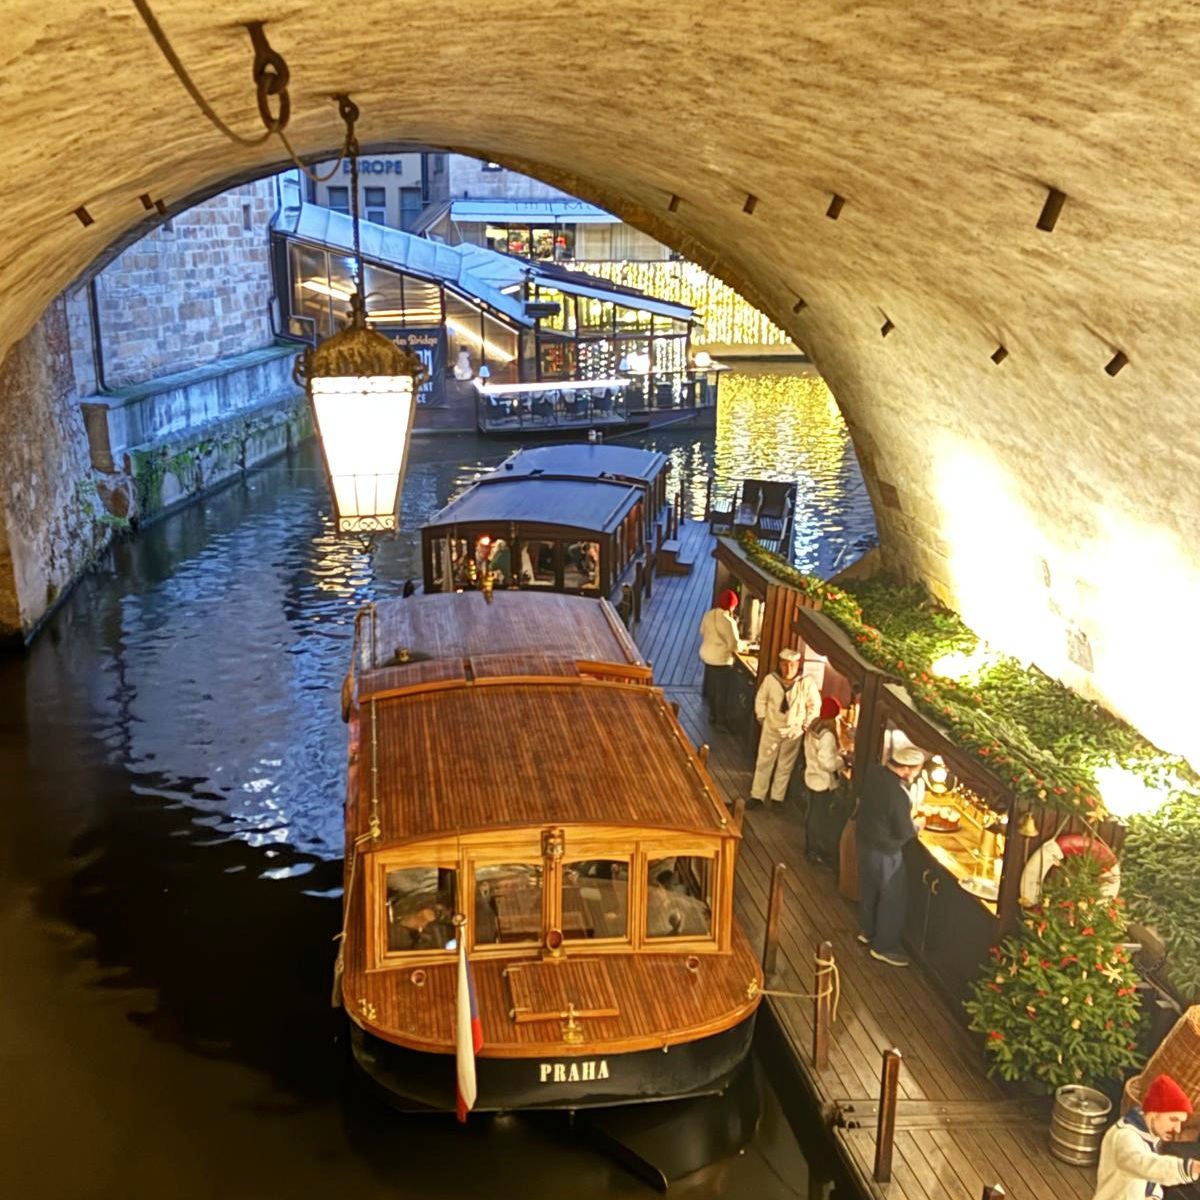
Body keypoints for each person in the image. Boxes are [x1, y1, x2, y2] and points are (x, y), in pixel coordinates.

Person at [856, 744, 926, 966]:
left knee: (869, 889)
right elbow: (904, 831)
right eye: (916, 770)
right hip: (886, 850)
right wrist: (918, 825)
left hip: (864, 840)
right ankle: (884, 947)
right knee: (893, 898)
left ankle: (867, 931)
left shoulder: (874, 773)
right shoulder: (898, 795)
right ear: (907, 769)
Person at [1093, 1074, 1198, 1200]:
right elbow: (1145, 1165)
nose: (1178, 1129)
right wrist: (1190, 1168)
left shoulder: (1149, 1136)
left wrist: (1153, 1195)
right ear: (1153, 1113)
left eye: (1181, 1122)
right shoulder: (1124, 1137)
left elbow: (1149, 1179)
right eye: (1173, 1119)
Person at [749, 648, 821, 807]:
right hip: (771, 727)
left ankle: (777, 798)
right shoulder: (771, 680)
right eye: (785, 665)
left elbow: (814, 705)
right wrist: (762, 717)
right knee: (764, 762)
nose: (789, 669)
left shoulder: (806, 683)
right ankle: (757, 796)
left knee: (785, 765)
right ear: (780, 665)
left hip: (793, 731)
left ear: (798, 665)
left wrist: (805, 725)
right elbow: (761, 700)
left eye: (793, 665)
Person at [804, 695, 848, 865]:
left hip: (811, 776)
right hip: (822, 781)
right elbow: (827, 762)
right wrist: (842, 761)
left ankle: (810, 847)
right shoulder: (827, 735)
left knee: (812, 814)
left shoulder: (815, 726)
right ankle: (816, 850)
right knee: (820, 817)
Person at [698, 589, 743, 729]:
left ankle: (712, 715)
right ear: (731, 606)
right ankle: (720, 722)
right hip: (721, 660)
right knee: (722, 692)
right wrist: (744, 645)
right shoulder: (729, 622)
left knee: (712, 688)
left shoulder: (708, 615)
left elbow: (701, 631)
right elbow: (734, 646)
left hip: (707, 656)